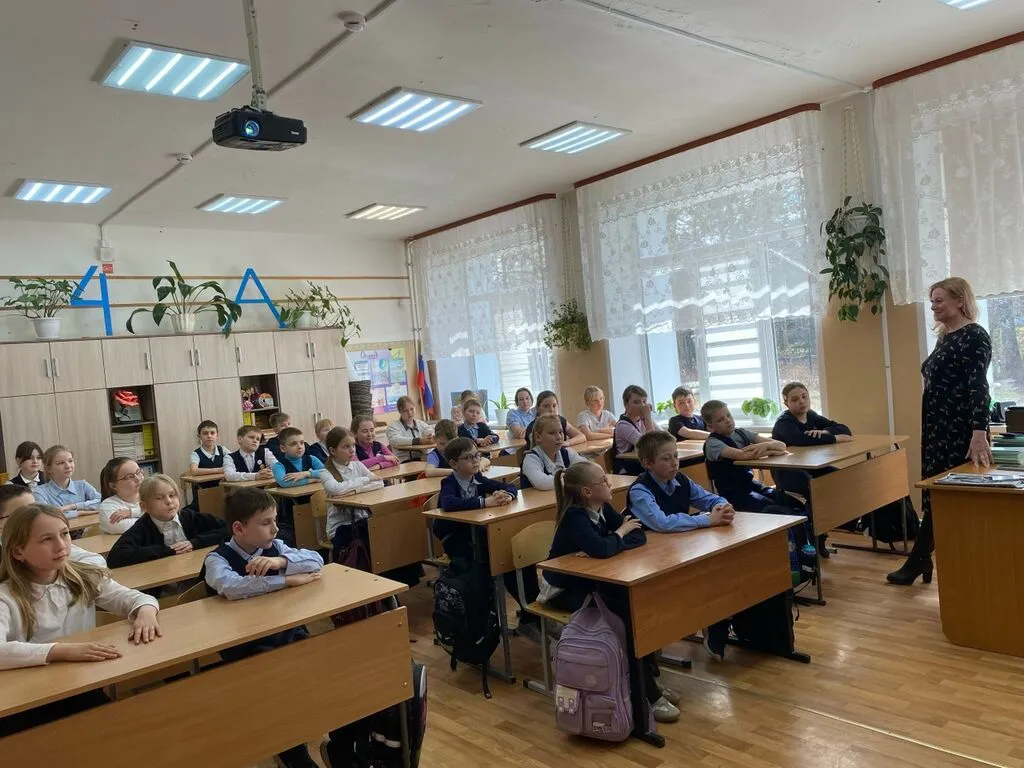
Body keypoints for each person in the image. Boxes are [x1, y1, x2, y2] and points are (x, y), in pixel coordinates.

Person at [537, 462, 683, 723]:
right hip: (564, 591)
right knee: (624, 617)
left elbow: (638, 536)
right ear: (587, 492)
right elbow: (605, 548)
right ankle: (648, 694)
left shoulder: (602, 508)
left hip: (593, 582)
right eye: (603, 481)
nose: (609, 484)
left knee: (638, 604)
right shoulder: (574, 517)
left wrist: (610, 542)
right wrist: (616, 535)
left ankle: (647, 678)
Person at [202, 487, 325, 768]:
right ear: (239, 528)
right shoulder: (217, 559)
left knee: (322, 663)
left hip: (284, 631)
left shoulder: (275, 548)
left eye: (275, 520)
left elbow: (316, 560)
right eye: (266, 522)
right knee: (277, 689)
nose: (275, 528)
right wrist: (285, 580)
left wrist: (281, 562)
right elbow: (231, 587)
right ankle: (292, 752)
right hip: (245, 645)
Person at [888, 277, 992, 586]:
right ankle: (922, 559)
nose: (933, 306)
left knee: (949, 495)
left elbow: (978, 386)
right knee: (936, 494)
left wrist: (979, 432)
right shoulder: (945, 337)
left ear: (959, 301)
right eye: (932, 300)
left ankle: (925, 560)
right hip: (937, 429)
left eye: (939, 300)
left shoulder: (974, 335)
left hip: (959, 430)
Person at [0, 504, 161, 670]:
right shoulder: (5, 597)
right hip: (33, 681)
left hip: (85, 673)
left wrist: (146, 613)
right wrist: (61, 651)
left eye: (65, 534)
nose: (61, 546)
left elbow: (135, 598)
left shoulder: (84, 577)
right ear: (18, 552)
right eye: (46, 539)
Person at [626, 431, 735, 660]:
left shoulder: (681, 480)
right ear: (648, 463)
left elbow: (709, 498)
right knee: (699, 579)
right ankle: (702, 626)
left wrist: (723, 506)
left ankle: (714, 624)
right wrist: (707, 520)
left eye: (675, 456)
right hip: (648, 559)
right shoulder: (640, 490)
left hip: (677, 549)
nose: (674, 462)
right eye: (666, 459)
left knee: (718, 568)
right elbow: (662, 523)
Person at [434, 437, 542, 643]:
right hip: (459, 543)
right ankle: (527, 617)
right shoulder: (449, 483)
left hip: (480, 538)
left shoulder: (478, 479)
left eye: (477, 455)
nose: (476, 461)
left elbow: (509, 488)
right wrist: (485, 502)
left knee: (520, 558)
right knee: (506, 561)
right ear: (454, 464)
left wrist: (506, 495)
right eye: (469, 458)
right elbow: (449, 504)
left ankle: (532, 616)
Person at [772, 382, 854, 557]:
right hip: (788, 472)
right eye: (795, 399)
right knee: (816, 488)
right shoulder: (784, 422)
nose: (802, 402)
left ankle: (845, 523)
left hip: (812, 466)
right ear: (786, 403)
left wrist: (825, 433)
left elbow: (844, 429)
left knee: (839, 477)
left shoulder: (812, 416)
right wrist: (833, 438)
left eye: (804, 397)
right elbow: (801, 440)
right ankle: (817, 538)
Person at [107, 475, 225, 569]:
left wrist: (195, 542)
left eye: (172, 495)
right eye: (159, 498)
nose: (169, 501)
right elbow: (115, 557)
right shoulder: (142, 528)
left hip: (195, 573)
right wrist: (168, 550)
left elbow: (228, 529)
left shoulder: (190, 517)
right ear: (144, 506)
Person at [701, 401, 789, 512]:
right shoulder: (713, 443)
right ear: (710, 427)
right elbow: (743, 455)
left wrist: (766, 445)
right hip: (734, 495)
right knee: (776, 509)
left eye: (728, 415)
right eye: (720, 420)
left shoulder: (741, 433)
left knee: (791, 502)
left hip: (752, 485)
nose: (728, 420)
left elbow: (781, 445)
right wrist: (772, 450)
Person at [320, 427, 384, 562]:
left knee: (382, 529)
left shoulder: (358, 466)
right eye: (346, 447)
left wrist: (354, 491)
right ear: (332, 451)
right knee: (369, 534)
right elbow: (336, 489)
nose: (352, 450)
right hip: (340, 526)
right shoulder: (326, 472)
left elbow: (379, 483)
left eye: (353, 445)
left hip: (362, 519)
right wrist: (364, 480)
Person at [0, 486, 105, 567]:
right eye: (22, 514)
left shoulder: (47, 536)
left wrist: (56, 572)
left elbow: (96, 561)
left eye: (34, 510)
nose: (32, 518)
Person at [521, 414, 590, 490]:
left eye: (560, 432)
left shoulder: (567, 453)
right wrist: (571, 477)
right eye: (552, 433)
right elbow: (542, 483)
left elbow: (587, 469)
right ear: (538, 437)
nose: (559, 437)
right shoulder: (531, 459)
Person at [32, 446, 101, 516]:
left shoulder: (82, 485)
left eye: (70, 461)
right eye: (61, 463)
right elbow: (47, 515)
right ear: (49, 469)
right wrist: (80, 513)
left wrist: (73, 506)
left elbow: (102, 502)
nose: (68, 466)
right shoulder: (39, 492)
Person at [612, 385, 658, 474]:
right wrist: (647, 417)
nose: (642, 406)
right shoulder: (623, 425)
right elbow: (648, 445)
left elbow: (665, 437)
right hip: (627, 469)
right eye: (636, 402)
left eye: (644, 402)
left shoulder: (643, 419)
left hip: (642, 463)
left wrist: (647, 419)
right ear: (626, 405)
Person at [96, 457, 144, 534]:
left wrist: (131, 513)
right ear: (113, 486)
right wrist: (151, 515)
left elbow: (164, 516)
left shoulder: (153, 495)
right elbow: (126, 527)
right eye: (129, 477)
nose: (138, 479)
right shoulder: (107, 506)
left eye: (138, 472)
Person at [385, 396, 434, 463]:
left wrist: (431, 436)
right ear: (400, 412)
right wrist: (419, 441)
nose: (410, 413)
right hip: (404, 461)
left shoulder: (420, 423)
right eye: (405, 411)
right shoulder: (393, 426)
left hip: (421, 458)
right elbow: (396, 440)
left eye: (412, 409)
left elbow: (429, 430)